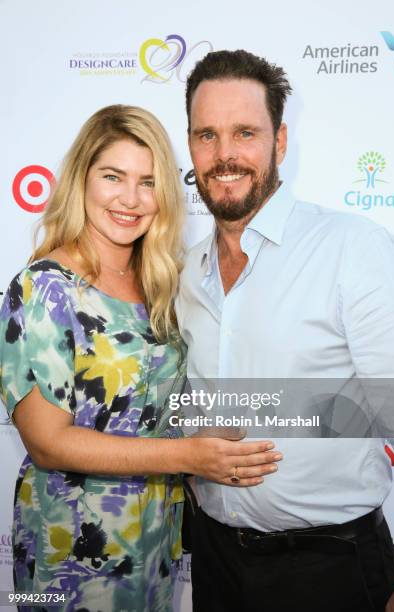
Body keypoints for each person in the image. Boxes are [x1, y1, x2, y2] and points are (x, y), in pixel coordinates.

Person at [0, 104, 282, 612]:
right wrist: (191, 458)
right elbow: (47, 443)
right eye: (113, 177)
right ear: (81, 179)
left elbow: (154, 409)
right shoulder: (45, 288)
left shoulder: (160, 284)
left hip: (154, 540)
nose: (130, 199)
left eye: (148, 182)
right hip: (70, 549)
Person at [176, 50, 394, 612]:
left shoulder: (352, 249)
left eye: (245, 133)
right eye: (206, 135)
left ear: (280, 142)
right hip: (213, 562)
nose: (224, 155)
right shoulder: (187, 270)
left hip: (330, 570)